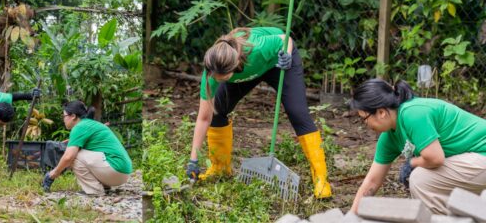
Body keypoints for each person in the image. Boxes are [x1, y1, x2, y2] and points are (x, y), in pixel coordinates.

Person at [185, 27, 332, 199]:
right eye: (214, 76)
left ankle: (321, 179)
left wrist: (287, 55)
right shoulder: (212, 70)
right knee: (217, 111)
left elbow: (285, 39)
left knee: (298, 113)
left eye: (221, 78)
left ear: (234, 66)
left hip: (276, 62)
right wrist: (193, 160)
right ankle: (220, 168)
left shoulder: (259, 48)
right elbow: (204, 118)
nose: (215, 80)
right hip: (246, 71)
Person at [349, 79, 486, 215]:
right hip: (474, 162)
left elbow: (435, 158)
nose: (364, 124)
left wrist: (412, 163)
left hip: (481, 154)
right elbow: (372, 181)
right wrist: (351, 217)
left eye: (364, 118)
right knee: (425, 177)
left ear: (381, 112)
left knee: (421, 179)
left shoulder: (413, 114)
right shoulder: (389, 137)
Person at [42, 101, 132, 195]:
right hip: (123, 172)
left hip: (115, 170)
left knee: (73, 156)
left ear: (73, 116)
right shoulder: (90, 124)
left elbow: (68, 157)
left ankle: (94, 190)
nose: (63, 119)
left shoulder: (79, 127)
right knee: (76, 154)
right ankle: (105, 187)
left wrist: (52, 174)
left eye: (64, 116)